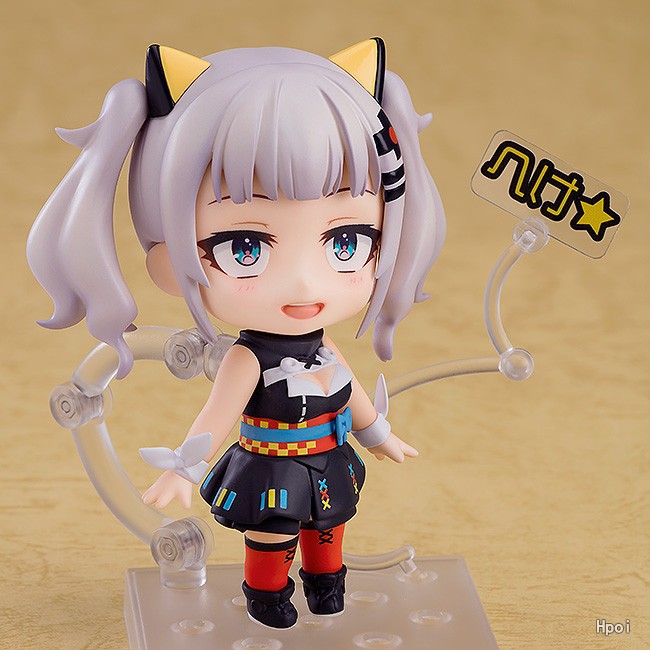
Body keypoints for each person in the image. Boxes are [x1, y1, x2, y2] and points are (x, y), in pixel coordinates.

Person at [27, 38, 445, 629]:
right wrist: (182, 468)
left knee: (329, 529)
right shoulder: (247, 360)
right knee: (272, 536)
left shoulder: (324, 347)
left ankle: (326, 586)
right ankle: (267, 597)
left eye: (347, 242)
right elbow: (215, 417)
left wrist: (378, 434)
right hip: (271, 465)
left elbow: (349, 389)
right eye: (245, 246)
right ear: (169, 259)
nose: (304, 283)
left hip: (327, 458)